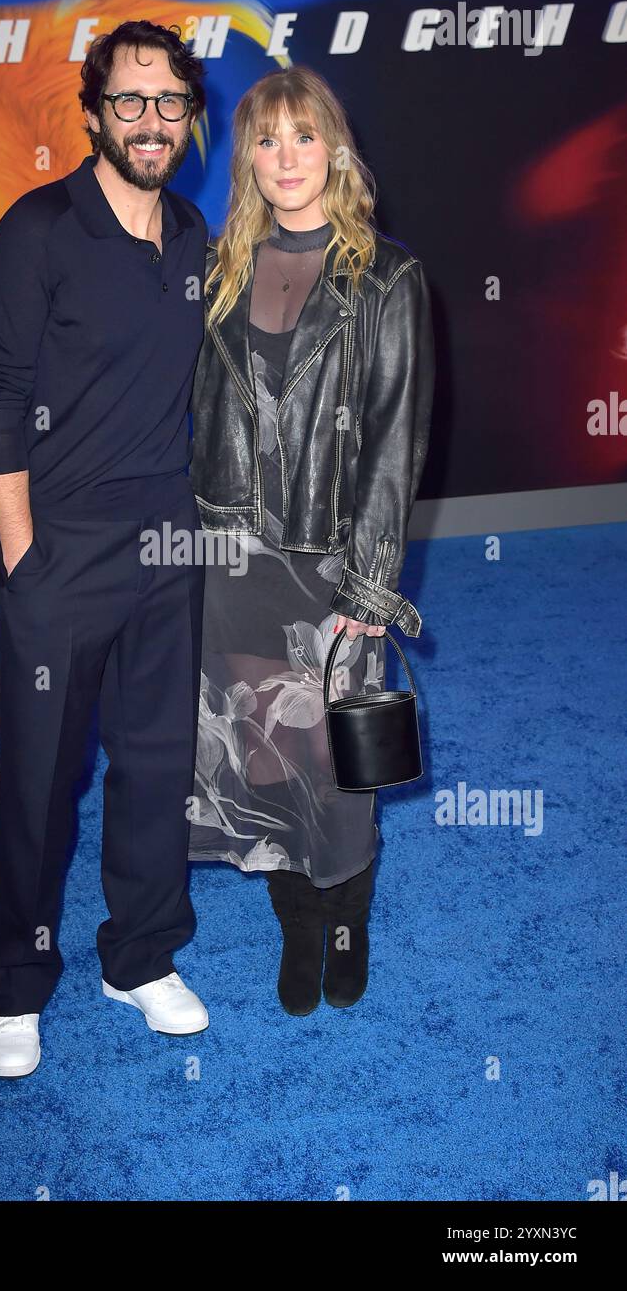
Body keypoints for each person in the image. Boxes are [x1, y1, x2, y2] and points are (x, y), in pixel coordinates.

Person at [0, 21, 210, 1077]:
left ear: (188, 118)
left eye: (167, 103)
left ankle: (140, 956)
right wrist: (21, 557)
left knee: (158, 766)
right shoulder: (39, 229)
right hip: (57, 551)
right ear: (94, 115)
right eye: (128, 102)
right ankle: (13, 988)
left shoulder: (195, 235)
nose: (148, 121)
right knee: (38, 776)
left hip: (168, 543)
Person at [188, 68, 436, 1016]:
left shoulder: (388, 277)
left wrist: (369, 593)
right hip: (233, 556)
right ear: (247, 158)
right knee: (262, 762)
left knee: (336, 768)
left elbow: (392, 441)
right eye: (265, 140)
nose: (286, 158)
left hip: (331, 562)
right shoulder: (220, 270)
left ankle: (347, 927)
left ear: (333, 148)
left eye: (303, 137)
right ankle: (298, 931)